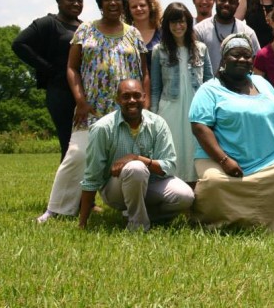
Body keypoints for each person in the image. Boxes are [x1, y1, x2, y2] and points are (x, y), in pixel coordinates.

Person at [37, 0, 150, 223]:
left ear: (123, 4)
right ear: (99, 3)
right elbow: (72, 67)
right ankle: (57, 209)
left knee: (126, 161)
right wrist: (80, 100)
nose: (112, 3)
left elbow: (144, 72)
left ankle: (126, 207)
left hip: (125, 112)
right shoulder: (85, 30)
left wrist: (146, 101)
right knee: (76, 155)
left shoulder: (133, 33)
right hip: (92, 110)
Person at [189, 33, 274, 231]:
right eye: (235, 55)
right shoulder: (209, 89)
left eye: (247, 56)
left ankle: (266, 224)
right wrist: (224, 161)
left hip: (267, 159)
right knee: (214, 181)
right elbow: (200, 127)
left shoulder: (262, 83)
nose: (242, 59)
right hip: (221, 158)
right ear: (223, 59)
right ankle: (216, 224)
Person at [78, 79, 194, 230]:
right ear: (118, 100)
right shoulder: (103, 128)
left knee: (185, 197)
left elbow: (169, 166)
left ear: (144, 97)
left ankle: (143, 215)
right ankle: (137, 226)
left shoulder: (158, 124)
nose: (132, 101)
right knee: (135, 168)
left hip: (151, 183)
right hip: (115, 191)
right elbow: (91, 177)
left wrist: (137, 157)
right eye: (126, 96)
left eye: (137, 96)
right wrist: (82, 223)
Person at [12, 0, 84, 161]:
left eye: (79, 1)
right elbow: (19, 44)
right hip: (60, 91)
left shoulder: (85, 27)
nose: (76, 4)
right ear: (59, 1)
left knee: (86, 143)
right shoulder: (48, 23)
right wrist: (48, 69)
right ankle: (65, 188)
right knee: (69, 144)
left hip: (84, 92)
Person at [151, 2, 213, 188]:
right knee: (173, 149)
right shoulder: (159, 50)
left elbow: (209, 82)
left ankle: (196, 192)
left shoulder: (201, 48)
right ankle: (173, 191)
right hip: (170, 107)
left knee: (195, 148)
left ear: (188, 23)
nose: (178, 26)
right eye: (174, 22)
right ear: (167, 25)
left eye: (182, 22)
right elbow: (155, 87)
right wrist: (154, 115)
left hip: (197, 109)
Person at [194, 0, 260, 74]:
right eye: (223, 0)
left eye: (231, 1)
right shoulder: (199, 30)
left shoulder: (248, 32)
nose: (226, 4)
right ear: (216, 0)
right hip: (207, 86)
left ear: (237, 5)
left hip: (239, 86)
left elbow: (257, 64)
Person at [127, 0, 163, 73]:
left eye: (142, 5)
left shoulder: (163, 33)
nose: (138, 9)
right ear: (128, 11)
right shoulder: (125, 35)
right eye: (134, 7)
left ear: (150, 7)